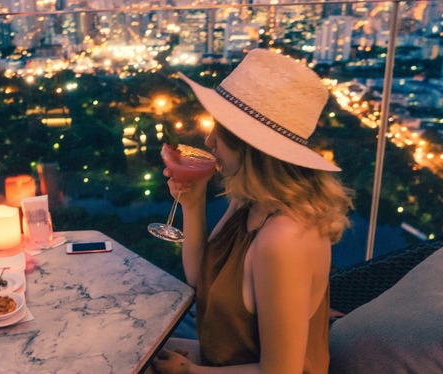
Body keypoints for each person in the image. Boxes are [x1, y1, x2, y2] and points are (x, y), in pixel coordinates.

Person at [151, 48, 353, 374]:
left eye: (221, 132)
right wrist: (192, 203)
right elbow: (200, 280)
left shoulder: (284, 238)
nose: (208, 140)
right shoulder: (250, 201)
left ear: (252, 147)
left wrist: (189, 371)